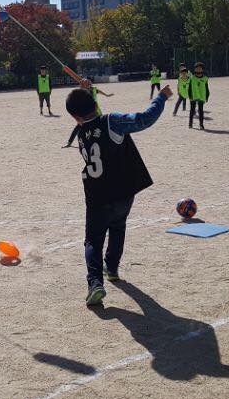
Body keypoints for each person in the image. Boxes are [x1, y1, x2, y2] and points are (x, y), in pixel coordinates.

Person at [65, 82, 172, 305]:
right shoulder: (111, 121)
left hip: (97, 195)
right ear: (94, 103)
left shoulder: (81, 133)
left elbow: (93, 121)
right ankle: (112, 268)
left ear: (75, 117)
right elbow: (144, 119)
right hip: (123, 191)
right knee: (118, 227)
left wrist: (86, 92)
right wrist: (161, 97)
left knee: (93, 241)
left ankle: (95, 283)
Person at [64, 78, 114, 148]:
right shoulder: (83, 90)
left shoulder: (94, 89)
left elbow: (99, 91)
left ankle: (105, 140)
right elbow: (79, 94)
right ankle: (69, 142)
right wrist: (81, 87)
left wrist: (107, 95)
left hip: (95, 111)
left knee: (101, 125)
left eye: (89, 83)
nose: (89, 84)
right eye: (88, 83)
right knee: (78, 127)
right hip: (85, 112)